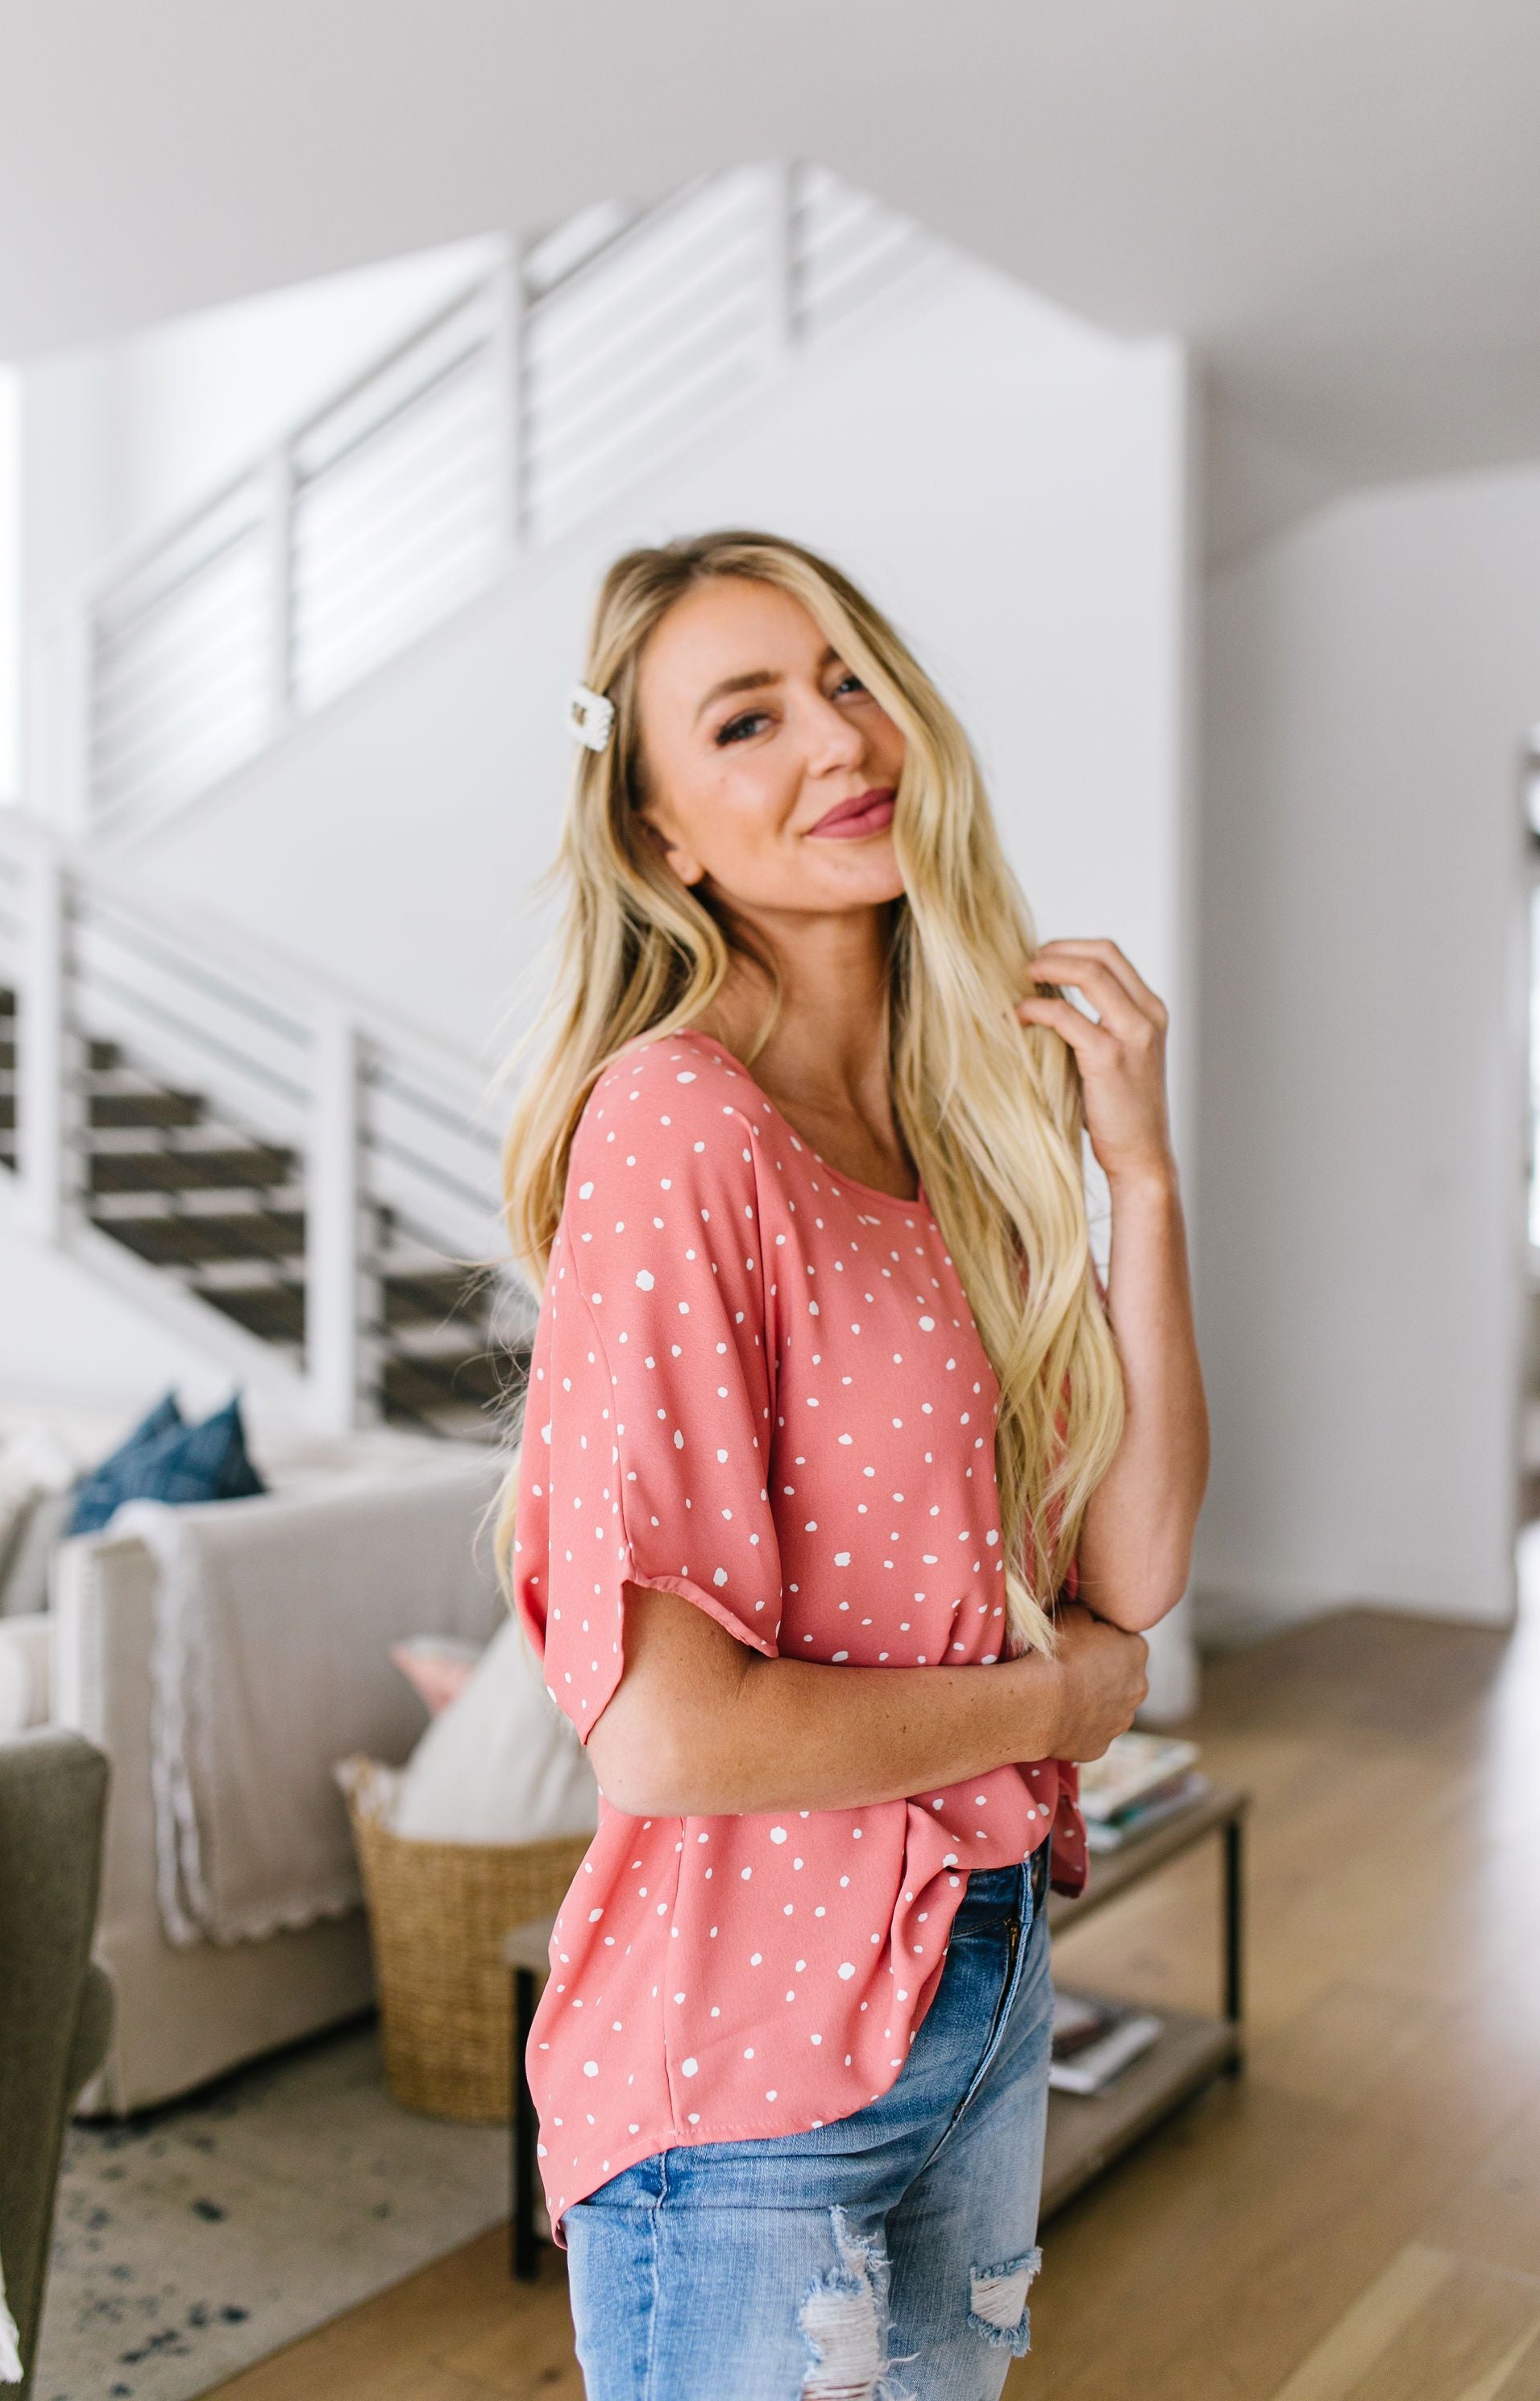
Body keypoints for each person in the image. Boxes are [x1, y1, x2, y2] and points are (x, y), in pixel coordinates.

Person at [500, 530, 1208, 2401]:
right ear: (659, 832)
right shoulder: (675, 1124)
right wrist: (1050, 1702)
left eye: (847, 680)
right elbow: (666, 1735)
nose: (835, 739)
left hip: (979, 1988)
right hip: (745, 2076)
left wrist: (1139, 1175)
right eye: (745, 720)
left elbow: (1133, 1571)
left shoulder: (963, 1125)